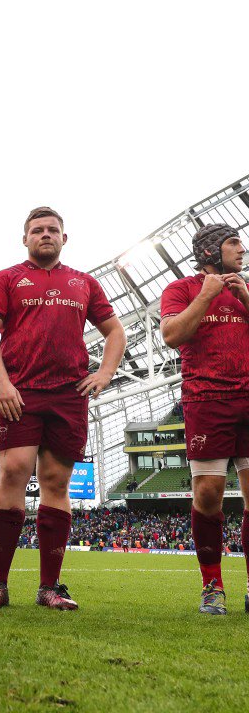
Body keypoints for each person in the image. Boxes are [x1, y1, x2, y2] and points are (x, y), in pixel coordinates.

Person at [0, 206, 125, 611]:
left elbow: (115, 332)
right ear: (25, 238)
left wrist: (105, 373)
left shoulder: (83, 282)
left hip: (68, 395)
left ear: (64, 238)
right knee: (14, 471)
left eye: (52, 230)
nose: (45, 235)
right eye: (37, 230)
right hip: (19, 392)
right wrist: (1, 382)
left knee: (56, 484)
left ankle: (50, 587)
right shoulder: (6, 279)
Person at [160, 223, 249, 614]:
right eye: (233, 243)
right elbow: (171, 335)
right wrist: (208, 295)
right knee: (209, 495)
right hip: (207, 401)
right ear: (212, 251)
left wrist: (245, 295)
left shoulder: (245, 289)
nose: (241, 250)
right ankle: (212, 586)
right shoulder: (181, 289)